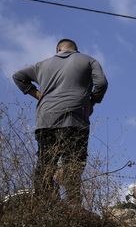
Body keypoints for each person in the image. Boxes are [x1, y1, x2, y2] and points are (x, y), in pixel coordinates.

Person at [12, 38, 108, 206]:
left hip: (46, 120)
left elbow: (18, 76)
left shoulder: (42, 65)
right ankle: (73, 207)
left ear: (58, 50)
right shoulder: (88, 60)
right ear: (75, 50)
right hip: (75, 119)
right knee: (73, 164)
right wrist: (91, 102)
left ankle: (43, 205)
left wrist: (38, 95)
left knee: (45, 164)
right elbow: (101, 83)